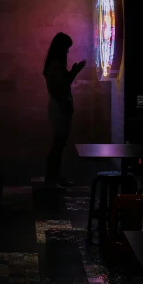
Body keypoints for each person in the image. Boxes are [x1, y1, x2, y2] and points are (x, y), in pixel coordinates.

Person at [43, 32, 86, 189]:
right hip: (60, 107)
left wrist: (72, 72)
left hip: (59, 106)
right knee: (58, 144)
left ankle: (54, 177)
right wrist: (74, 72)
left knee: (59, 144)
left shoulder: (53, 64)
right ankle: (52, 179)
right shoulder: (56, 64)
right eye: (67, 48)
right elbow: (61, 86)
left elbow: (61, 84)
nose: (68, 52)